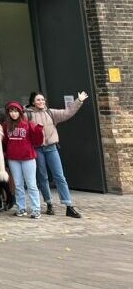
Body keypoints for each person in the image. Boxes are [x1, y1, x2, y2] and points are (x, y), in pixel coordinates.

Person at [27, 90, 88, 218]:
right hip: (37, 149)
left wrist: (79, 101)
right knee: (43, 177)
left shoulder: (51, 113)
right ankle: (49, 203)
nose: (41, 102)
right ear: (33, 102)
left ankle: (68, 206)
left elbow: (67, 112)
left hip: (51, 148)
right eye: (38, 100)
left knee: (59, 176)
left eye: (42, 99)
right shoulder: (28, 115)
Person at [3, 101, 44, 218]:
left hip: (28, 158)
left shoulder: (27, 124)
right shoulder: (6, 125)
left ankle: (36, 209)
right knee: (18, 184)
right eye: (11, 111)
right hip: (13, 158)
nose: (13, 114)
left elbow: (37, 141)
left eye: (16, 111)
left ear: (20, 112)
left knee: (31, 184)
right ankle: (21, 208)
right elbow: (5, 141)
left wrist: (39, 129)